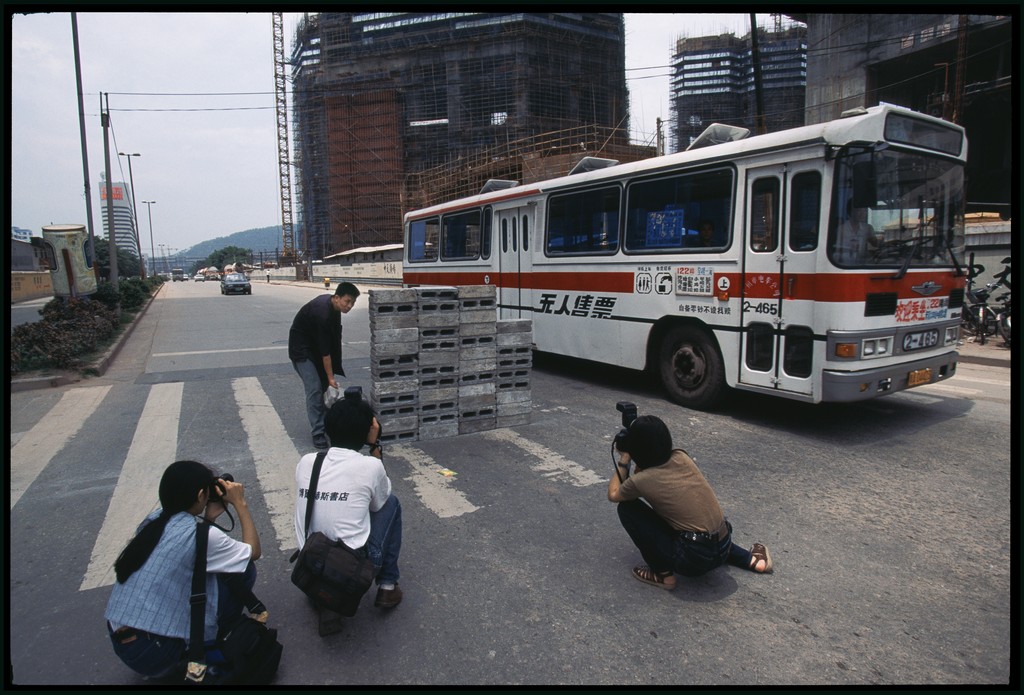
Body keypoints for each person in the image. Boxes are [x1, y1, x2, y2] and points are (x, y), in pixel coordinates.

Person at [105, 461, 264, 681]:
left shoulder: (153, 521)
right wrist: (240, 504)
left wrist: (209, 520)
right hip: (156, 652)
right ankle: (204, 646)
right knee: (244, 571)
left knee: (213, 570)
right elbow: (253, 552)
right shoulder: (202, 536)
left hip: (123, 642)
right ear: (201, 495)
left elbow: (195, 556)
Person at [607, 415, 772, 590]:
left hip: (693, 560)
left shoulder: (641, 480)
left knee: (627, 509)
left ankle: (662, 575)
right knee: (698, 520)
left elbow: (614, 494)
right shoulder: (680, 457)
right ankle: (753, 560)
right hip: (723, 543)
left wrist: (625, 459)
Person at [294, 393, 404, 635]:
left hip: (311, 561)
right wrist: (374, 446)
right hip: (351, 569)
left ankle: (324, 594)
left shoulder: (307, 461)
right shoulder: (369, 465)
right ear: (368, 432)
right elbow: (380, 502)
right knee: (392, 503)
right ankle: (387, 585)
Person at [289, 282, 361, 450]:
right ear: (336, 298)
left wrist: (329, 378)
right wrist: (330, 377)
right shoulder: (322, 313)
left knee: (323, 388)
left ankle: (329, 422)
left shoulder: (334, 308)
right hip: (302, 351)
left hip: (315, 348)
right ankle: (318, 432)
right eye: (347, 301)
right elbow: (325, 352)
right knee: (314, 389)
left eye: (352, 303)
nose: (349, 306)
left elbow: (331, 341)